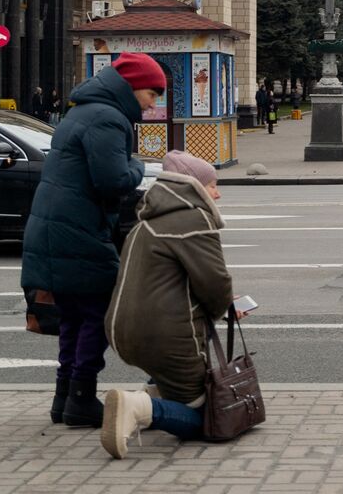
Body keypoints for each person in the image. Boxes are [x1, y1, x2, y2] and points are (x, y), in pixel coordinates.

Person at [20, 52, 165, 428]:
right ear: (133, 88)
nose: (154, 104)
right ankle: (81, 398)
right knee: (100, 312)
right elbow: (113, 179)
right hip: (78, 227)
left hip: (56, 223)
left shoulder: (84, 110)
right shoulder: (108, 117)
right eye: (152, 94)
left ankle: (64, 397)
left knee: (72, 314)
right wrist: (139, 164)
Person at [100, 150, 244, 459]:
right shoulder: (194, 219)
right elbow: (215, 283)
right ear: (192, 187)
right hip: (164, 337)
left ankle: (146, 398)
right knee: (205, 418)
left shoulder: (146, 222)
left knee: (175, 382)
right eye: (212, 185)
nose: (217, 194)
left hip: (121, 331)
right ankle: (139, 407)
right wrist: (221, 310)